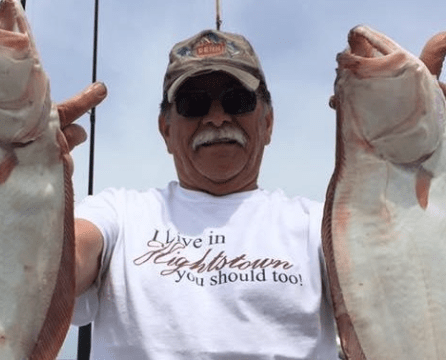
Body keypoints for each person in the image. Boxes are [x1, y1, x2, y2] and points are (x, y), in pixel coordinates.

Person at [66, 29, 339, 359]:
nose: (217, 117)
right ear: (166, 130)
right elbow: (56, 269)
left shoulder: (320, 224)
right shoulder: (116, 213)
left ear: (267, 122)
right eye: (193, 104)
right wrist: (21, 173)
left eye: (237, 100)